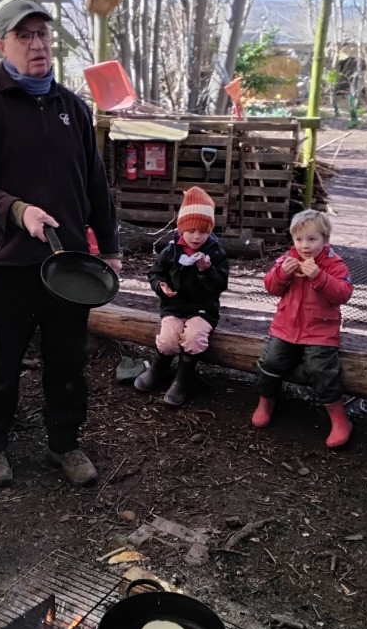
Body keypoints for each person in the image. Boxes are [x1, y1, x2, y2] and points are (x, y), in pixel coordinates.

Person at [0, 0, 122, 487]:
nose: (38, 44)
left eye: (43, 34)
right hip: (6, 263)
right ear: (1, 45)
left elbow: (94, 181)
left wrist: (108, 246)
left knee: (68, 360)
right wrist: (16, 211)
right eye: (24, 36)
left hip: (68, 264)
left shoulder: (72, 107)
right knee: (0, 362)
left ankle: (64, 443)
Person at [251, 210, 354, 448]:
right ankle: (266, 401)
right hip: (286, 328)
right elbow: (270, 286)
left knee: (321, 369)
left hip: (320, 331)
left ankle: (339, 418)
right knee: (269, 363)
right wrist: (281, 274)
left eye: (312, 239)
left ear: (325, 240)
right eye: (299, 240)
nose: (304, 246)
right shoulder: (288, 259)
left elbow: (344, 293)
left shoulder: (334, 265)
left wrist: (320, 277)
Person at [134, 187, 229, 407]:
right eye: (192, 230)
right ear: (182, 228)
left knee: (194, 338)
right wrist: (160, 286)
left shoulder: (214, 253)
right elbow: (155, 273)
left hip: (203, 309)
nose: (197, 236)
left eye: (203, 231)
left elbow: (219, 286)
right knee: (167, 341)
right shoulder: (171, 251)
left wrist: (206, 270)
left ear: (210, 231)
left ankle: (182, 380)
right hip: (174, 307)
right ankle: (157, 372)